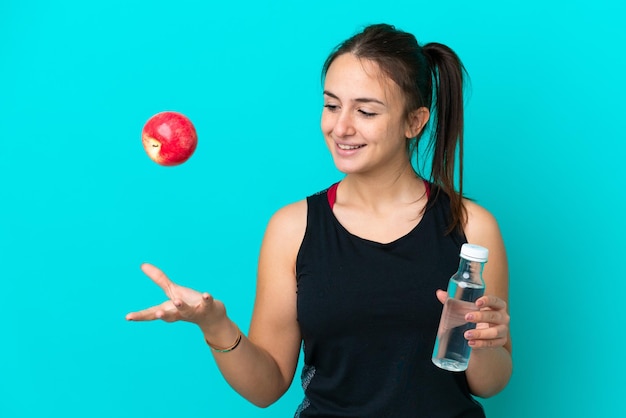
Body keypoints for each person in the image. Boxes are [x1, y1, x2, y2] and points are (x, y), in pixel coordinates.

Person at [126, 23, 512, 417]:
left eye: (365, 111)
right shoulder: (292, 229)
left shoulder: (472, 228)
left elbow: (490, 383)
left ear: (414, 122)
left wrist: (486, 342)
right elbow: (267, 386)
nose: (341, 127)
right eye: (331, 105)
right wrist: (215, 325)